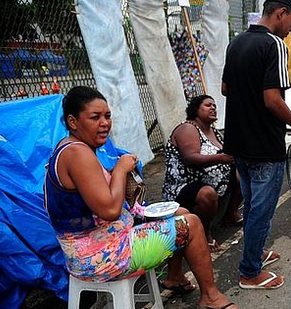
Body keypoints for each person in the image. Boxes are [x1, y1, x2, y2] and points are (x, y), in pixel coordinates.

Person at [44, 86, 237, 309]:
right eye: (95, 117)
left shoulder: (72, 148)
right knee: (191, 224)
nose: (105, 123)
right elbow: (109, 210)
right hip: (100, 257)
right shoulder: (77, 153)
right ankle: (211, 298)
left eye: (107, 116)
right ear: (73, 121)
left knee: (181, 213)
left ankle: (174, 277)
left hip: (96, 246)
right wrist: (120, 170)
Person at [221, 0, 291, 290]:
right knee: (261, 210)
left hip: (240, 141)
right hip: (264, 143)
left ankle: (256, 252)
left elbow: (226, 88)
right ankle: (249, 272)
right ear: (281, 13)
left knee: (252, 206)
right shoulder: (273, 44)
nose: (290, 30)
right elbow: (272, 99)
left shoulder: (235, 43)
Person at [163, 95, 243, 252]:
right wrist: (221, 158)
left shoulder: (213, 131)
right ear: (196, 109)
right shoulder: (188, 128)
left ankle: (230, 215)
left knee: (245, 176)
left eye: (214, 105)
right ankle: (204, 234)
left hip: (213, 181)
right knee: (207, 193)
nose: (213, 107)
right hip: (185, 185)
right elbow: (190, 158)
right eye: (208, 105)